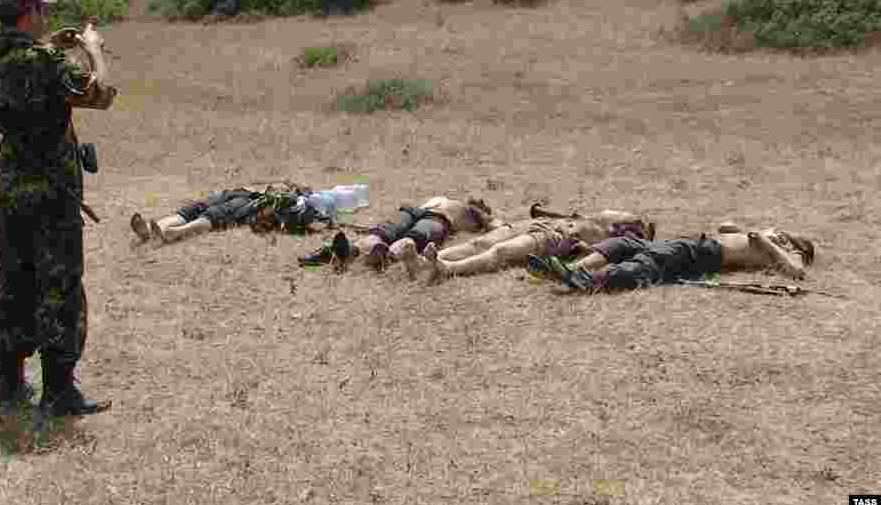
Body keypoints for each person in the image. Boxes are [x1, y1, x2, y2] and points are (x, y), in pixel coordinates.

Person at [0, 0, 116, 420]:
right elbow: (98, 93)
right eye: (43, 10)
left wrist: (51, 46)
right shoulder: (48, 62)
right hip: (53, 194)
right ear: (30, 12)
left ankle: (10, 386)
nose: (48, 17)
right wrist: (92, 48)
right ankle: (58, 392)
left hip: (14, 191)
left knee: (15, 282)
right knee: (61, 286)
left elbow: (26, 74)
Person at [540, 222, 815, 292]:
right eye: (779, 233)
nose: (778, 234)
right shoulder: (764, 237)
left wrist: (771, 242)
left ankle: (585, 279)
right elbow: (725, 226)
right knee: (625, 243)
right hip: (697, 244)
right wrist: (752, 232)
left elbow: (797, 273)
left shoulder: (792, 253)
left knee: (650, 262)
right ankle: (569, 268)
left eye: (784, 236)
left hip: (709, 255)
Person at [410, 208, 655, 284]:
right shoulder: (606, 218)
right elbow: (572, 214)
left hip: (553, 238)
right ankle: (425, 260)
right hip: (543, 223)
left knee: (501, 252)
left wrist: (579, 246)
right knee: (481, 241)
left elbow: (599, 253)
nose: (632, 217)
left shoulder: (618, 239)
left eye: (638, 223)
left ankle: (448, 268)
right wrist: (541, 211)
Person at [300, 197, 498, 269]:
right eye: (479, 202)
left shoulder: (474, 213)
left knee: (414, 237)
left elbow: (497, 225)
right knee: (384, 232)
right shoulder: (452, 199)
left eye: (483, 204)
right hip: (414, 211)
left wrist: (485, 217)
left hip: (438, 219)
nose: (480, 201)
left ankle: (384, 255)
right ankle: (349, 250)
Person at [132, 182, 332, 244]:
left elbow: (316, 220)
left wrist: (296, 193)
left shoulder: (299, 200)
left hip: (249, 201)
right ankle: (150, 229)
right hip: (238, 192)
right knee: (194, 208)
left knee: (215, 215)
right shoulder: (285, 186)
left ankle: (174, 233)